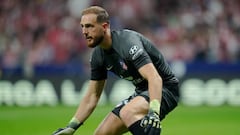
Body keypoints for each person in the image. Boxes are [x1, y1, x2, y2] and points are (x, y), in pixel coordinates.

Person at [52, 6, 179, 135]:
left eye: (89, 26)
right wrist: (71, 127)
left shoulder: (128, 43)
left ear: (105, 26)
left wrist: (153, 112)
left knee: (127, 112)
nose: (84, 31)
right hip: (142, 91)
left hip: (165, 88)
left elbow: (154, 77)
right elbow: (92, 96)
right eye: (82, 26)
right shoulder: (98, 56)